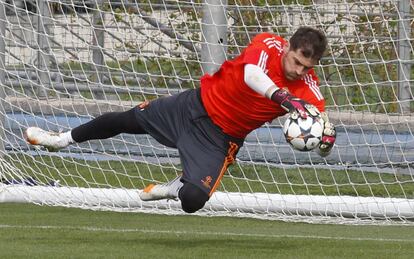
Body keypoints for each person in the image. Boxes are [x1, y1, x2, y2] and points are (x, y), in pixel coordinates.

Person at [25, 26, 336, 213]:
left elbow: (319, 130)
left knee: (193, 200)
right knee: (124, 120)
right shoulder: (268, 44)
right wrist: (282, 97)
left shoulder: (307, 89)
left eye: (306, 67)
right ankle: (60, 139)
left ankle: (177, 186)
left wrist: (324, 144)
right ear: (287, 47)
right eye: (296, 61)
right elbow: (251, 74)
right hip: (191, 106)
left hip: (219, 138)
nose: (298, 71)